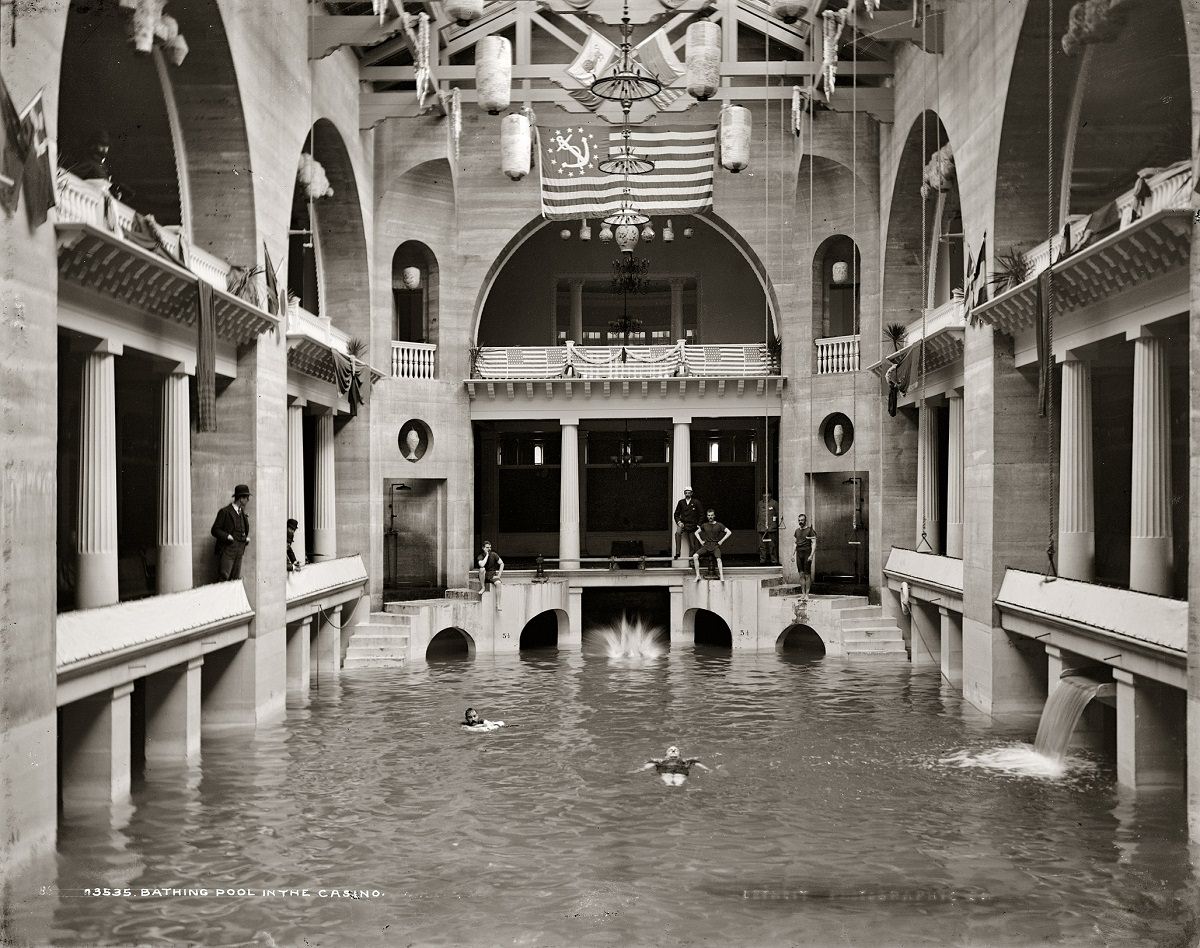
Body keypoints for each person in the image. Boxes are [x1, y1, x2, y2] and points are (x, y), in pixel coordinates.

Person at [211, 485, 251, 581]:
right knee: (224, 577)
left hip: (239, 550)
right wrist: (227, 536)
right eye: (247, 498)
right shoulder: (225, 511)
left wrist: (245, 539)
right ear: (241, 498)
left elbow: (243, 529)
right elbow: (215, 530)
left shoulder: (242, 513)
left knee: (235, 579)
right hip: (228, 550)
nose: (248, 500)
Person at [638, 745, 710, 786]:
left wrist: (707, 769)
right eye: (670, 750)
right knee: (667, 777)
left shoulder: (685, 760)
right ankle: (669, 785)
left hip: (680, 769)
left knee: (679, 778)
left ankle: (678, 786)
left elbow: (697, 763)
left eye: (676, 750)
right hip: (665, 769)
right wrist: (641, 769)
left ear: (680, 755)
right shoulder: (660, 760)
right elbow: (648, 765)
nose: (673, 751)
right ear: (666, 755)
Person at [692, 509, 731, 582]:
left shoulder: (719, 525)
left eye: (712, 515)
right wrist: (700, 541)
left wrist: (721, 541)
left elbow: (729, 532)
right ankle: (698, 576)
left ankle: (722, 576)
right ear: (707, 516)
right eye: (709, 515)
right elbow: (696, 533)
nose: (710, 517)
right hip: (706, 546)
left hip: (715, 546)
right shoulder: (704, 525)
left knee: (719, 559)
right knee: (695, 556)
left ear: (714, 516)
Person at [672, 486, 703, 560]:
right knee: (677, 533)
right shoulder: (681, 502)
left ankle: (692, 562)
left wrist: (699, 524)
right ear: (684, 493)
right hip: (683, 524)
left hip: (692, 525)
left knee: (692, 545)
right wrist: (679, 522)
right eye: (686, 493)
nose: (687, 494)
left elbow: (701, 514)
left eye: (689, 492)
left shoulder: (696, 502)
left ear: (691, 493)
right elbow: (676, 514)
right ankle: (677, 553)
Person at [795, 513, 818, 595]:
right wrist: (792, 554)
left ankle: (807, 594)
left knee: (807, 574)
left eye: (802, 520)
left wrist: (811, 555)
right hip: (799, 554)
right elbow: (795, 543)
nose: (800, 522)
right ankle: (803, 594)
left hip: (807, 554)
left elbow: (814, 543)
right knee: (801, 574)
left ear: (805, 521)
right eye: (799, 520)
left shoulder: (810, 530)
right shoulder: (797, 531)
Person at [477, 540, 504, 611]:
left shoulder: (494, 554)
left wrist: (499, 575)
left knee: (498, 583)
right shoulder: (480, 556)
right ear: (483, 548)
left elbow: (501, 563)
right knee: (482, 569)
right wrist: (487, 556)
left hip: (492, 575)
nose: (489, 549)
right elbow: (482, 564)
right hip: (484, 576)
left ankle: (498, 604)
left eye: (490, 547)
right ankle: (483, 587)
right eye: (487, 547)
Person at [757, 493, 779, 566]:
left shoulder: (774, 503)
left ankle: (774, 560)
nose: (765, 496)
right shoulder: (759, 504)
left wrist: (773, 522)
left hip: (771, 527)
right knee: (762, 545)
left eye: (767, 494)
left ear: (770, 494)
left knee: (772, 545)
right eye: (764, 494)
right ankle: (762, 560)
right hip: (761, 527)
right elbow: (758, 514)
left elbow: (777, 513)